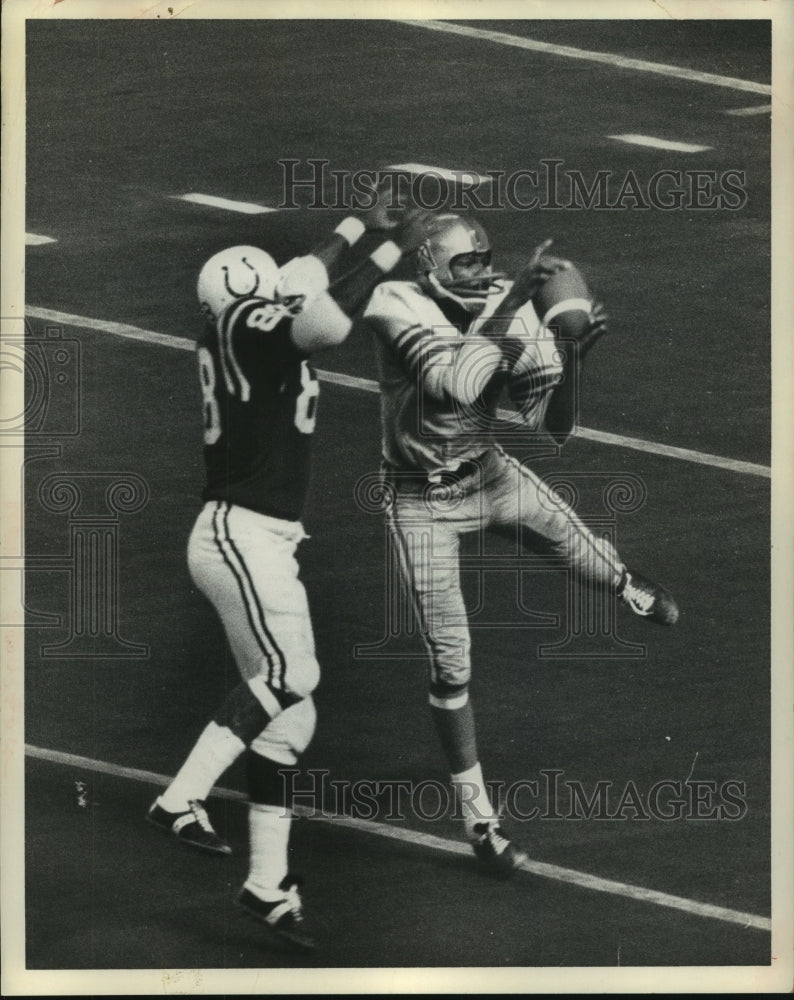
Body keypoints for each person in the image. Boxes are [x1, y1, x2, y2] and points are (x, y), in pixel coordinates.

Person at [147, 196, 429, 952]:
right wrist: (395, 251)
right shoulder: (248, 324)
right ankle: (181, 796)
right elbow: (326, 322)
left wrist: (358, 225)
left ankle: (265, 885)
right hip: (239, 531)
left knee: (291, 717)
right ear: (252, 292)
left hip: (259, 536)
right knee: (292, 673)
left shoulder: (236, 320)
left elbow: (305, 275)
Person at [361, 212, 679, 878]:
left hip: (487, 471)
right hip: (419, 500)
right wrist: (512, 308)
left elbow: (555, 429)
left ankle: (626, 584)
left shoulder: (506, 302)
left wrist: (572, 355)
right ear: (429, 267)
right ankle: (480, 820)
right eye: (464, 263)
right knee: (452, 663)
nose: (479, 272)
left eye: (484, 260)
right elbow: (451, 381)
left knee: (579, 548)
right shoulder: (396, 301)